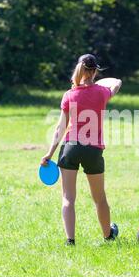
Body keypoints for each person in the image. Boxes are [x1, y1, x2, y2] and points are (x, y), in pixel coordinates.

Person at [40, 54, 122, 246]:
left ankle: (70, 240)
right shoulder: (102, 92)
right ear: (95, 71)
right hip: (93, 150)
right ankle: (108, 235)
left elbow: (60, 129)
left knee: (68, 198)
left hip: (70, 148)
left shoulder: (69, 95)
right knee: (99, 198)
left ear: (79, 69)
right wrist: (106, 81)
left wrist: (49, 153)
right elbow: (116, 83)